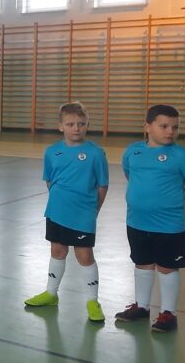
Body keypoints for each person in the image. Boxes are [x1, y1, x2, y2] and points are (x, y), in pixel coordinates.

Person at [114, 105, 185, 332]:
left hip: (169, 225)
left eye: (175, 127)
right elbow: (129, 174)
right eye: (164, 126)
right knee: (142, 263)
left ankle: (168, 313)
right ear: (147, 127)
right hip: (137, 221)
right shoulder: (133, 151)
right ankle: (142, 307)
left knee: (167, 267)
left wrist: (176, 199)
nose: (170, 132)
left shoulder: (182, 157)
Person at [24, 102, 110, 323]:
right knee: (57, 251)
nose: (76, 128)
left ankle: (92, 300)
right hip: (56, 211)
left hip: (83, 214)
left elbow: (102, 185)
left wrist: (94, 210)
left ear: (87, 124)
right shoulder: (52, 152)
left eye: (81, 124)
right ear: (60, 126)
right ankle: (51, 294)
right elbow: (50, 181)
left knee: (84, 255)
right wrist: (59, 201)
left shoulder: (95, 153)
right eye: (70, 124)